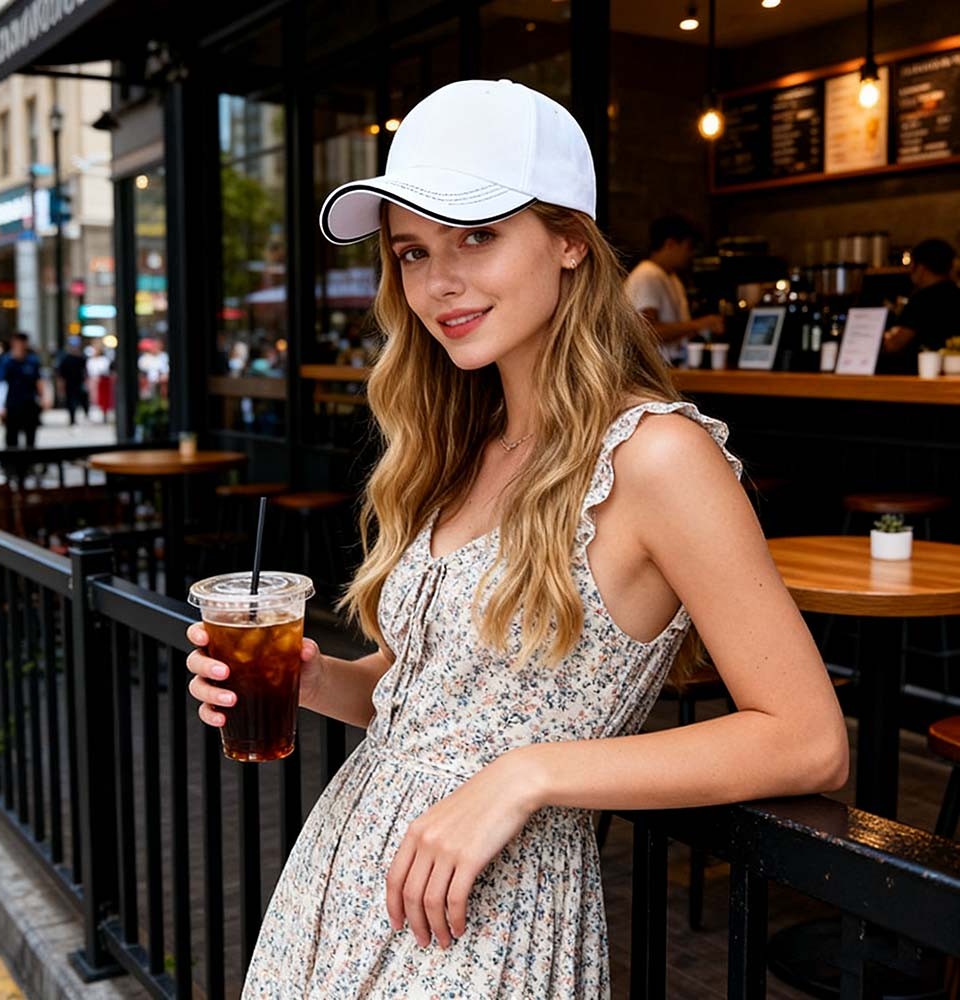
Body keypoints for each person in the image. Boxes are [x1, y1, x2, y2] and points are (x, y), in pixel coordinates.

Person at [186, 80, 848, 998]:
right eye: (413, 252)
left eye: (477, 235)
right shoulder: (463, 441)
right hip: (338, 893)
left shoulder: (658, 457)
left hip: (483, 926)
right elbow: (427, 704)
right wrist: (314, 679)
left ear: (569, 239)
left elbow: (808, 742)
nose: (439, 282)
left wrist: (527, 776)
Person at [623, 214, 725, 365]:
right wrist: (699, 324)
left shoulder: (672, 277)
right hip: (654, 369)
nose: (691, 254)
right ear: (670, 244)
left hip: (673, 366)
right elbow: (647, 331)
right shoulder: (647, 274)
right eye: (688, 247)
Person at [880, 238, 960, 374]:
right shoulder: (956, 293)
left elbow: (894, 344)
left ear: (921, 268)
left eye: (911, 264)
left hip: (922, 374)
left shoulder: (922, 300)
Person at [0, 332, 45, 448]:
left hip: (29, 404)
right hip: (12, 404)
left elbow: (38, 380)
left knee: (30, 438)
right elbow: (0, 383)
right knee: (12, 438)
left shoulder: (32, 361)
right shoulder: (6, 361)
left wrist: (43, 398)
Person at [56, 337, 89, 425]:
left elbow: (85, 372)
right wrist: (61, 386)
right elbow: (61, 375)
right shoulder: (65, 359)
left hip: (79, 383)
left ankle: (85, 414)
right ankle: (72, 418)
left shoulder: (81, 358)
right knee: (71, 402)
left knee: (83, 399)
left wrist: (86, 382)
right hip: (69, 384)